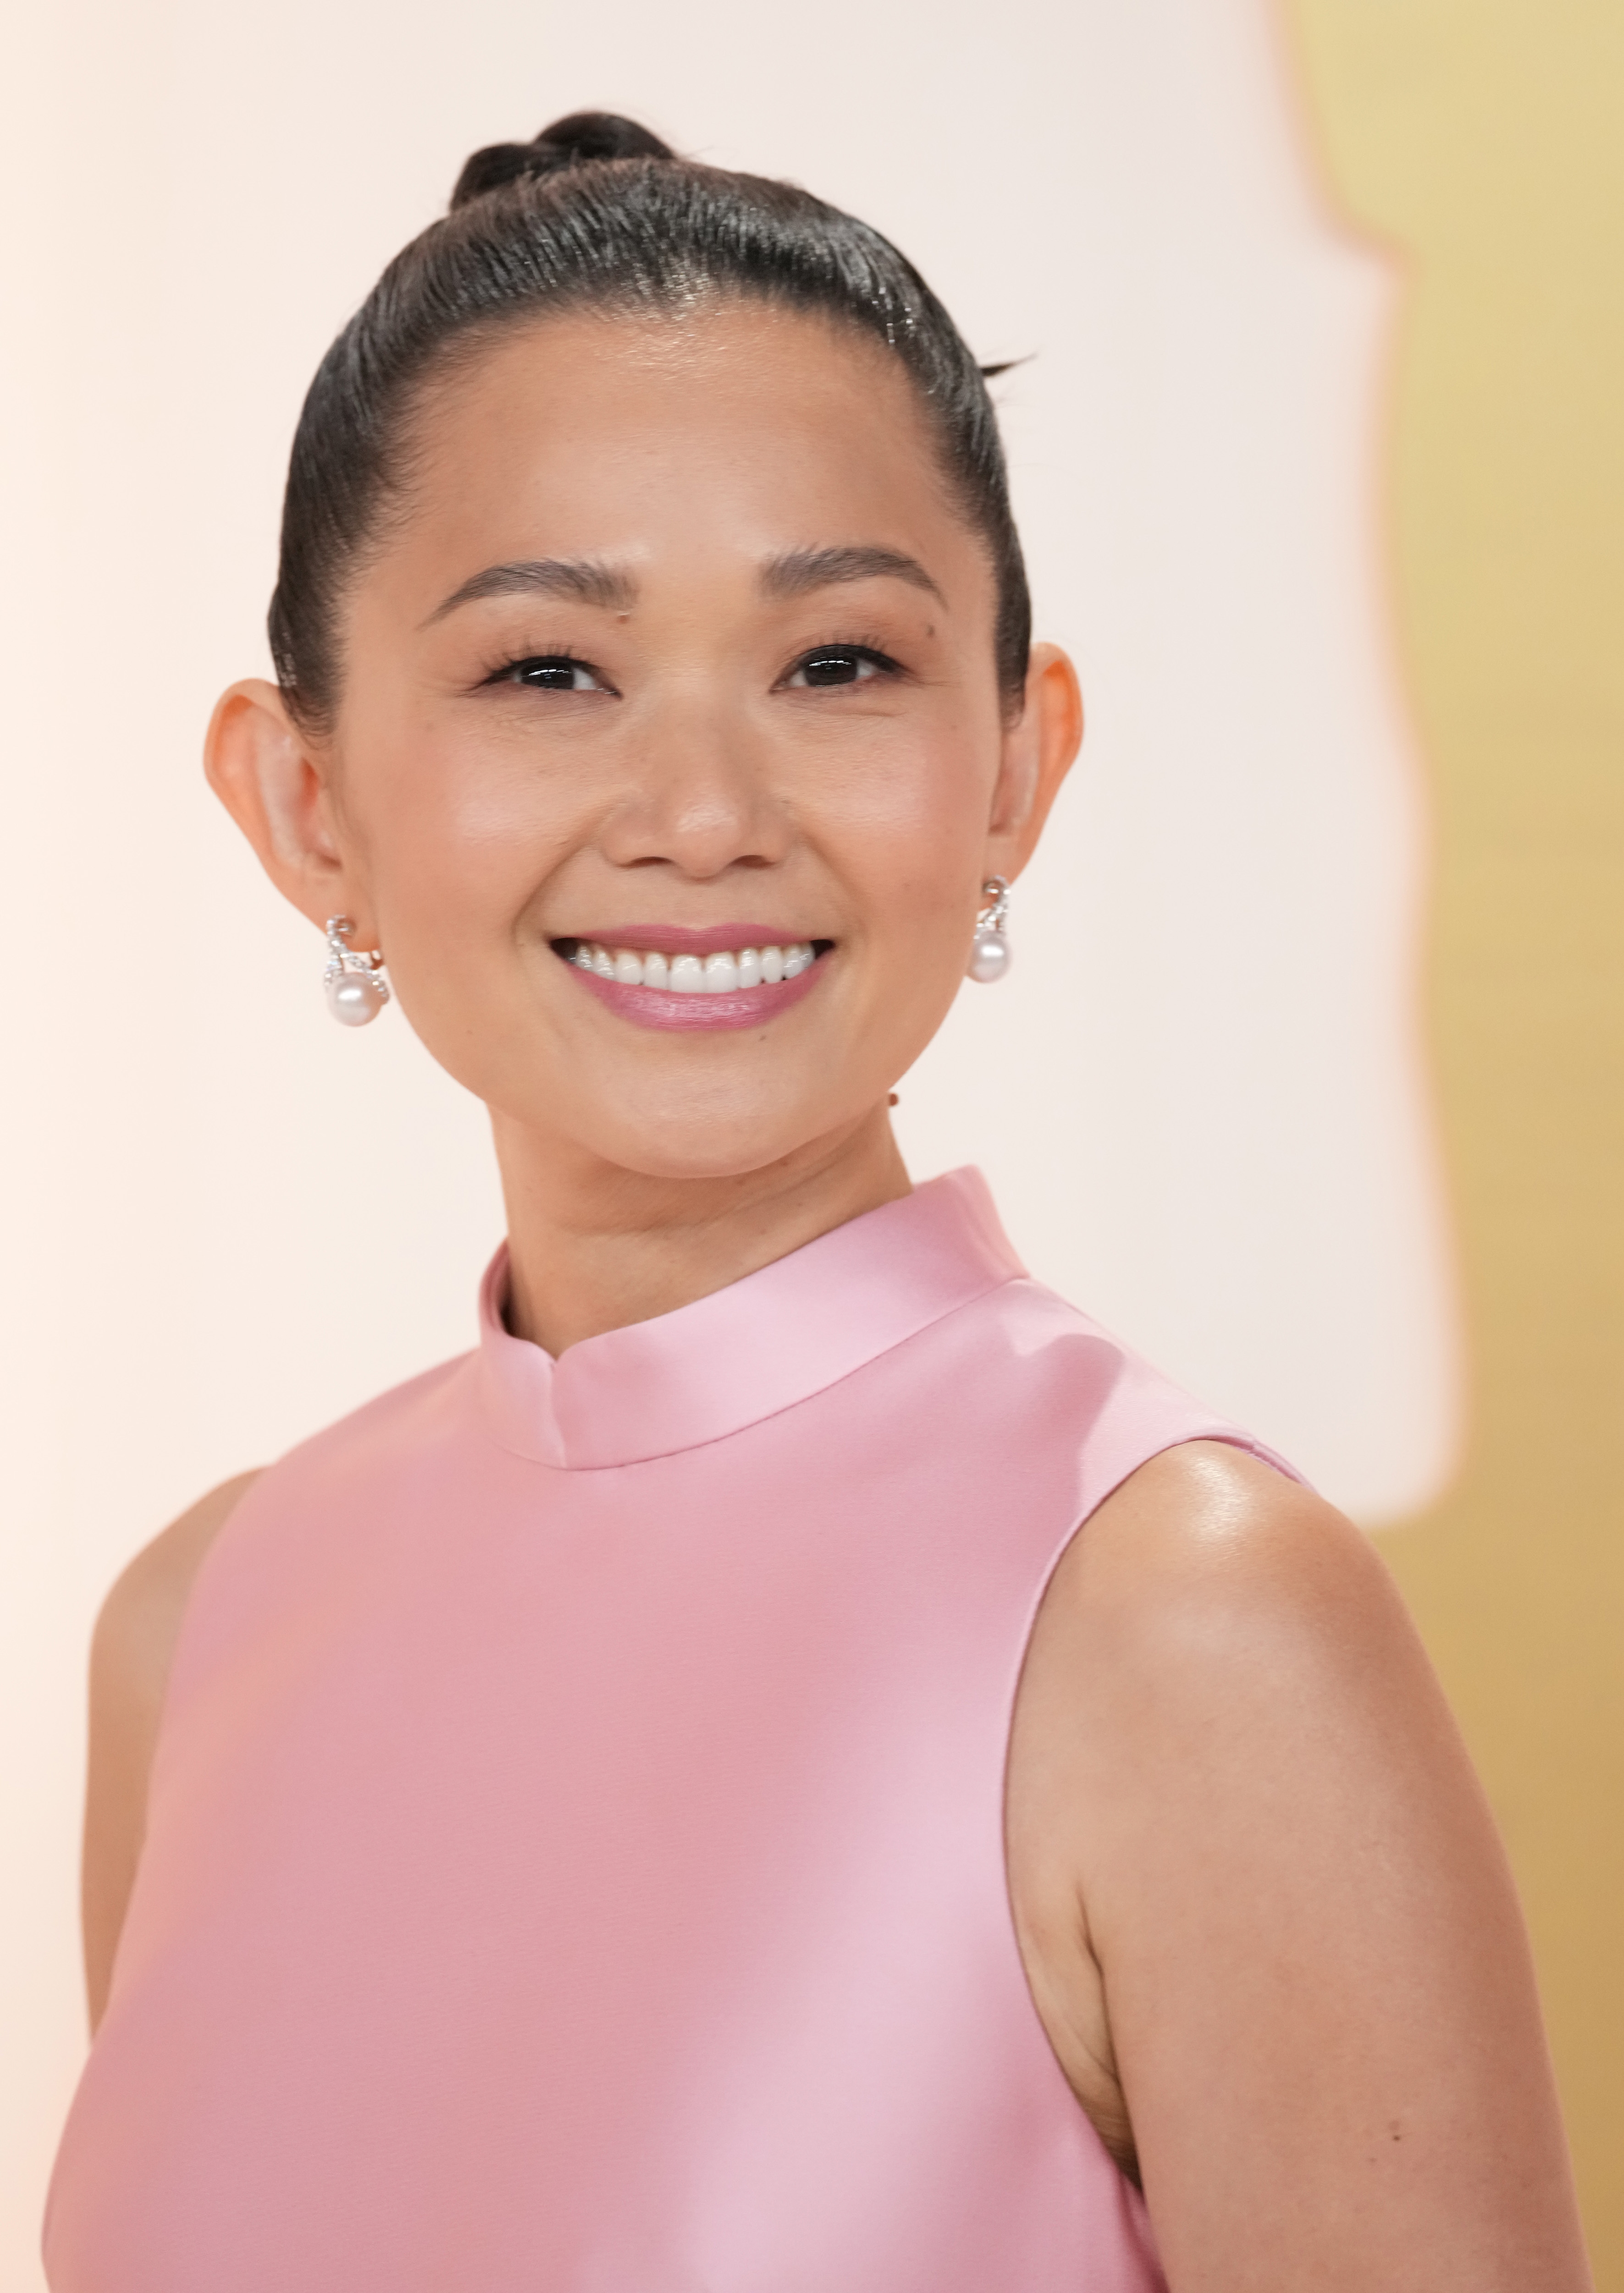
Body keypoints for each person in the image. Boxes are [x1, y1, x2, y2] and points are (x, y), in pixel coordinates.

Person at [45, 113, 1591, 2293]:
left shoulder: (1180, 1621)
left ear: (1013, 770)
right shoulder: (195, 1630)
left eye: (839, 664)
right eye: (546, 670)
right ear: (305, 802)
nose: (700, 811)